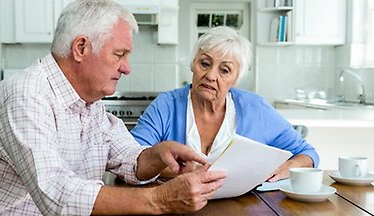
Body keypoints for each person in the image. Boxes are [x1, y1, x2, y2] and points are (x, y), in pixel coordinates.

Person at [0, 0, 227, 216]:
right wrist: (161, 199)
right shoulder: (26, 95)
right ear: (81, 48)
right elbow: (56, 192)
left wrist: (157, 156)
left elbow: (127, 157)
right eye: (119, 54)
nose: (126, 68)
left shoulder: (89, 102)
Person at [131, 26, 319, 181]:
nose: (211, 76)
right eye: (204, 64)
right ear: (192, 64)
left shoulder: (255, 108)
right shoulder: (166, 105)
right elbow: (132, 159)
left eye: (224, 70)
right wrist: (178, 172)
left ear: (236, 79)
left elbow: (307, 154)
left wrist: (283, 169)